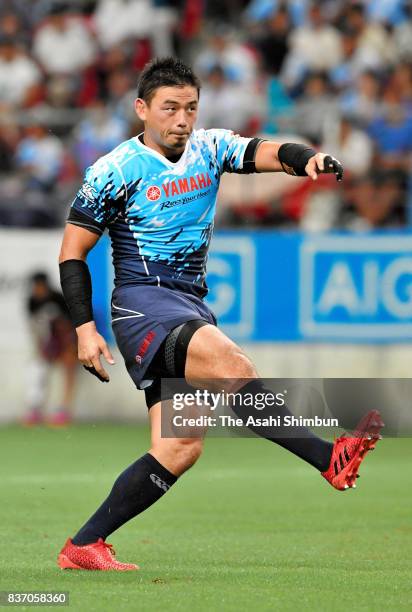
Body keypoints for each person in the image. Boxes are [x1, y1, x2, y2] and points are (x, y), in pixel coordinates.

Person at [57, 57, 383, 571]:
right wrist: (84, 328)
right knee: (234, 367)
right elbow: (72, 254)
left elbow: (265, 152)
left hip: (186, 303)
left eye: (190, 107)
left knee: (179, 448)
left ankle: (83, 545)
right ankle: (329, 459)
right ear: (142, 109)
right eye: (170, 108)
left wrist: (309, 158)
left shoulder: (209, 147)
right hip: (143, 305)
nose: (182, 119)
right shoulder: (113, 171)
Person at [23, 271, 78, 427]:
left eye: (40, 287)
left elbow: (72, 326)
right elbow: (35, 328)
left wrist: (72, 347)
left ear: (46, 286)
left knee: (69, 370)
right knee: (37, 369)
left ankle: (63, 410)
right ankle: (35, 409)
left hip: (68, 341)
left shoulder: (58, 299)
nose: (37, 290)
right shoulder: (31, 302)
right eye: (35, 287)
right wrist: (41, 347)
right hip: (48, 342)